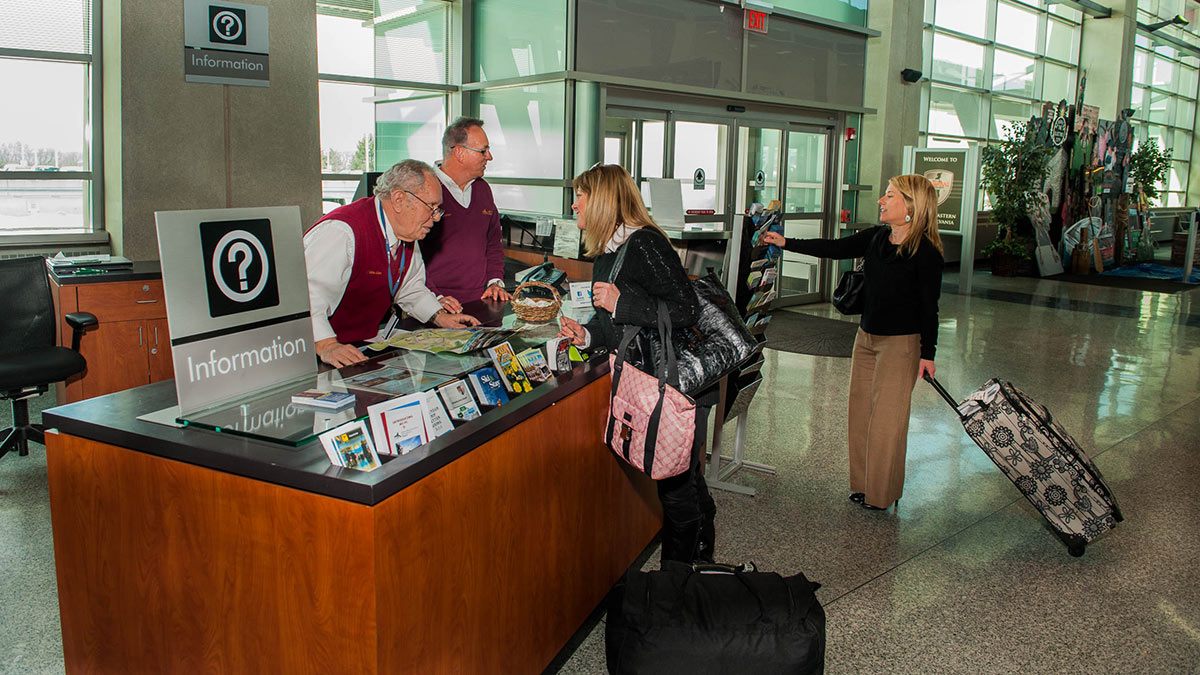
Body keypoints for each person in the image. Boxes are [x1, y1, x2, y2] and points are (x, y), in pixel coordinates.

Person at [556, 164, 717, 566]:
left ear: (604, 200)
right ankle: (701, 543)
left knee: (675, 484)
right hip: (651, 378)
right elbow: (614, 324)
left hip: (678, 381)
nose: (574, 203)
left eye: (581, 195)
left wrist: (619, 303)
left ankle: (676, 581)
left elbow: (685, 309)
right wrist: (588, 335)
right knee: (683, 475)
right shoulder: (606, 253)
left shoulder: (645, 244)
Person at [761, 174, 943, 511]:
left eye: (890, 195)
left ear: (911, 206)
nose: (881, 201)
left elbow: (929, 308)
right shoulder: (876, 238)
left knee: (887, 420)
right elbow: (834, 248)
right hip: (866, 337)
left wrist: (927, 354)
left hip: (901, 344)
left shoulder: (926, 254)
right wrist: (787, 242)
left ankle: (881, 493)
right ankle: (862, 485)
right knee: (859, 412)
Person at [304, 159, 480, 368]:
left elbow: (410, 287)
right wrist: (326, 345)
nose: (436, 217)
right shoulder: (341, 231)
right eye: (431, 207)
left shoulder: (405, 233)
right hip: (322, 356)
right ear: (399, 199)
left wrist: (439, 317)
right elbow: (308, 297)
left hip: (361, 349)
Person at [420, 117, 511, 314]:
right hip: (437, 306)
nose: (489, 157)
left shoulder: (483, 189)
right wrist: (434, 297)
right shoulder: (424, 189)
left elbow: (493, 241)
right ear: (459, 152)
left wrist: (495, 281)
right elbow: (411, 254)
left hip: (481, 303)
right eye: (483, 151)